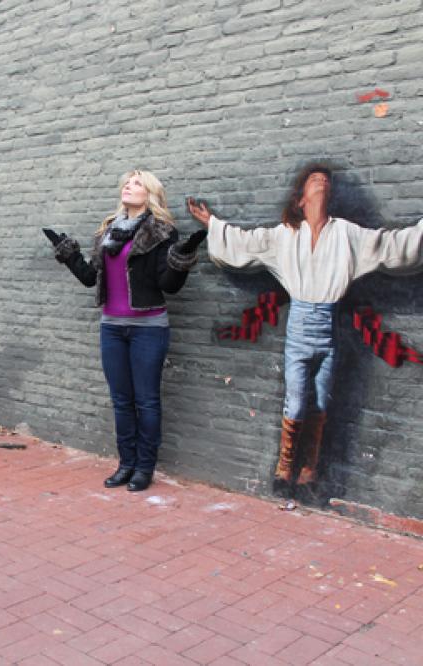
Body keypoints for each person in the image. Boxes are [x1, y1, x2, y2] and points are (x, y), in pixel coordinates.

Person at [187, 163, 423, 500]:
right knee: (296, 401)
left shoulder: (346, 234)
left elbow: (389, 245)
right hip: (299, 328)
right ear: (300, 200)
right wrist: (212, 223)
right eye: (314, 180)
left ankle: (309, 468)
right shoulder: (285, 235)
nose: (321, 183)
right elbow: (246, 243)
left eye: (325, 180)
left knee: (322, 399)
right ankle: (285, 466)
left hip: (327, 328)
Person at [45, 170, 205, 492]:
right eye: (126, 183)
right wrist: (69, 253)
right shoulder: (108, 231)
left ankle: (144, 467)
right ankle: (126, 463)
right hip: (112, 329)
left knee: (146, 401)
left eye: (136, 184)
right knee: (121, 400)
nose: (128, 188)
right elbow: (92, 278)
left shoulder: (162, 232)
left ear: (150, 194)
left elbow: (167, 286)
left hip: (148, 328)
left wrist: (180, 259)